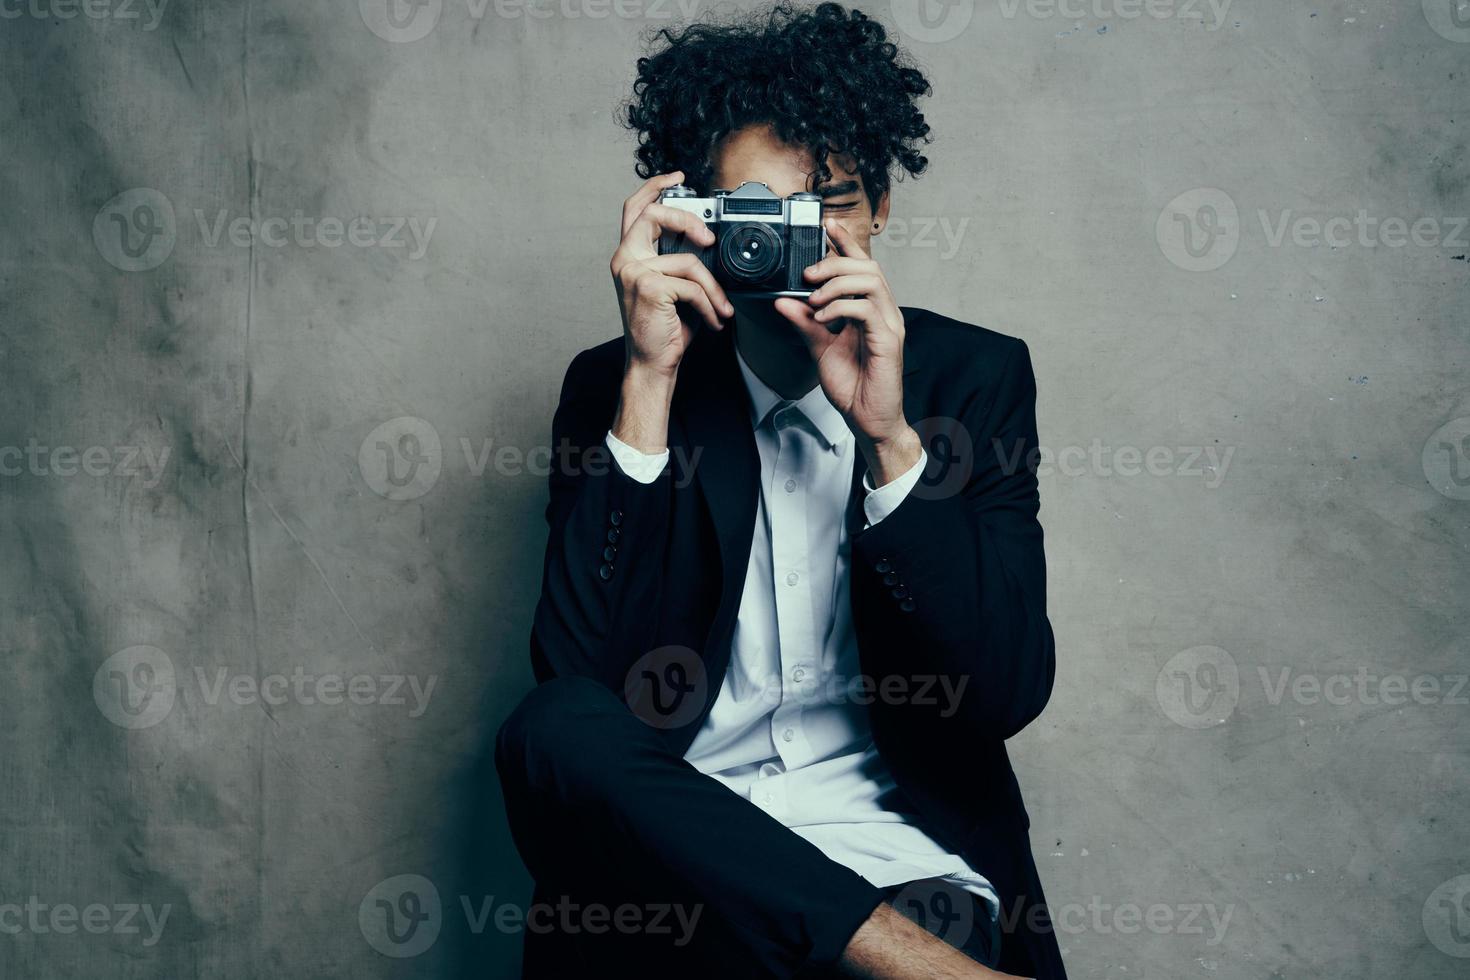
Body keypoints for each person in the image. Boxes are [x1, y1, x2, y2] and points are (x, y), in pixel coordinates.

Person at [496, 5, 1063, 977]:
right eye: (758, 213)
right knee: (551, 726)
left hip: (898, 851)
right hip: (684, 865)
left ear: (879, 206)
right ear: (698, 221)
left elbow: (1005, 691)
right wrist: (648, 382)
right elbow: (578, 685)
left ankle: (888, 944)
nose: (796, 242)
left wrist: (888, 437)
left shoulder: (971, 378)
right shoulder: (619, 380)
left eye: (828, 204)